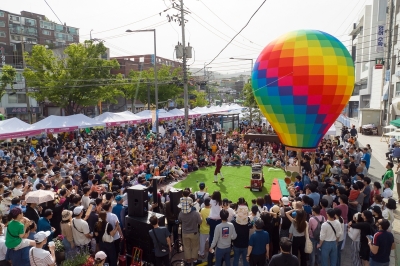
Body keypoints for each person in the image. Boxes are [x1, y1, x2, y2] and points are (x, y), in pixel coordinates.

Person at [178, 199, 202, 266]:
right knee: (195, 247)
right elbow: (200, 222)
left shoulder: (181, 213)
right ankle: (195, 260)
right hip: (194, 233)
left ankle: (188, 262)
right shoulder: (196, 213)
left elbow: (179, 220)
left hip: (185, 233)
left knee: (187, 247)